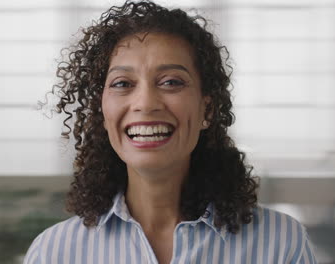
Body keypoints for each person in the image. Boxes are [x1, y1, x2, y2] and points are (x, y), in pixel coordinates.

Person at [23, 1, 317, 263]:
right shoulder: (55, 252)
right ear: (102, 112)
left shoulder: (281, 245)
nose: (146, 103)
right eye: (123, 83)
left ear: (208, 110)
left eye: (171, 82)